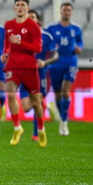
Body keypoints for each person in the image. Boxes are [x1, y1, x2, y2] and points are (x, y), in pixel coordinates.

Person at [1, 0, 47, 148]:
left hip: (28, 66)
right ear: (14, 8)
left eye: (23, 5)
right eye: (17, 5)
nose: (20, 7)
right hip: (13, 65)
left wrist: (20, 42)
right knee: (10, 93)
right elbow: (7, 44)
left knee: (35, 100)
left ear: (27, 8)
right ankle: (17, 128)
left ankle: (41, 129)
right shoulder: (8, 25)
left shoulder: (33, 26)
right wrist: (5, 53)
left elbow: (38, 48)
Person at [19, 10, 58, 141]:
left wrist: (45, 62)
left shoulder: (47, 36)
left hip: (40, 74)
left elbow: (55, 55)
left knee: (37, 101)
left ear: (38, 21)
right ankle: (46, 106)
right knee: (26, 108)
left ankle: (37, 133)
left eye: (32, 17)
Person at [45, 3, 83, 136]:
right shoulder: (51, 28)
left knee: (66, 90)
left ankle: (64, 123)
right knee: (58, 93)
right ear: (60, 12)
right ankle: (62, 119)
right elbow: (44, 40)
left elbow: (80, 42)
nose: (66, 12)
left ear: (71, 12)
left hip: (71, 62)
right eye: (64, 10)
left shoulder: (76, 28)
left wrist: (79, 47)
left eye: (68, 10)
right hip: (55, 63)